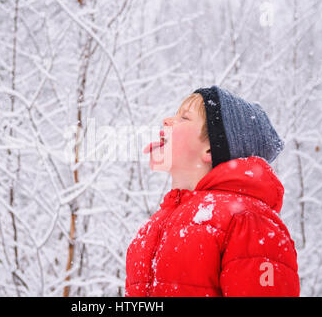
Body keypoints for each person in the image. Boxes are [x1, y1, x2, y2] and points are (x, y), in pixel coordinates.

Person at [125, 85, 300, 297]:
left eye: (184, 118)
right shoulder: (150, 229)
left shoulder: (248, 221)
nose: (166, 121)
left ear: (210, 148)